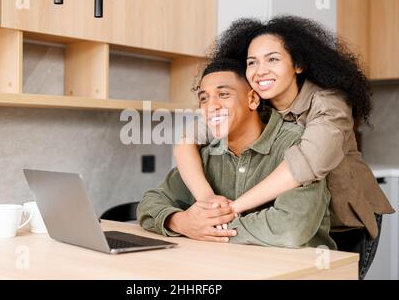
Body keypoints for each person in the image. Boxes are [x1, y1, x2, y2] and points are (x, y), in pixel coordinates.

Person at [172, 16, 394, 277]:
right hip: (288, 222)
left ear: (298, 64)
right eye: (252, 62)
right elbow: (186, 142)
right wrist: (208, 201)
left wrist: (230, 210)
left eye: (272, 59)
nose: (260, 70)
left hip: (341, 222)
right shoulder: (256, 101)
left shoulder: (329, 104)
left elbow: (304, 164)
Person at [137, 58, 336, 249]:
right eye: (204, 98)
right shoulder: (207, 154)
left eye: (223, 94)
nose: (211, 106)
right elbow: (150, 202)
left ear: (252, 99)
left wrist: (207, 227)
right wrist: (181, 222)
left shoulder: (299, 144)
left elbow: (291, 228)